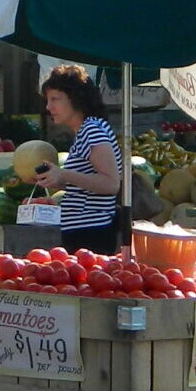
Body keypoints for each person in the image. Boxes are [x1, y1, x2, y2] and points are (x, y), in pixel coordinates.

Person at [36, 65, 123, 254]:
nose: (49, 107)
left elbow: (110, 183)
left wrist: (65, 174)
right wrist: (58, 181)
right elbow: (90, 185)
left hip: (93, 234)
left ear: (75, 99)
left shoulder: (92, 130)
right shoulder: (87, 130)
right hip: (84, 232)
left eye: (55, 99)